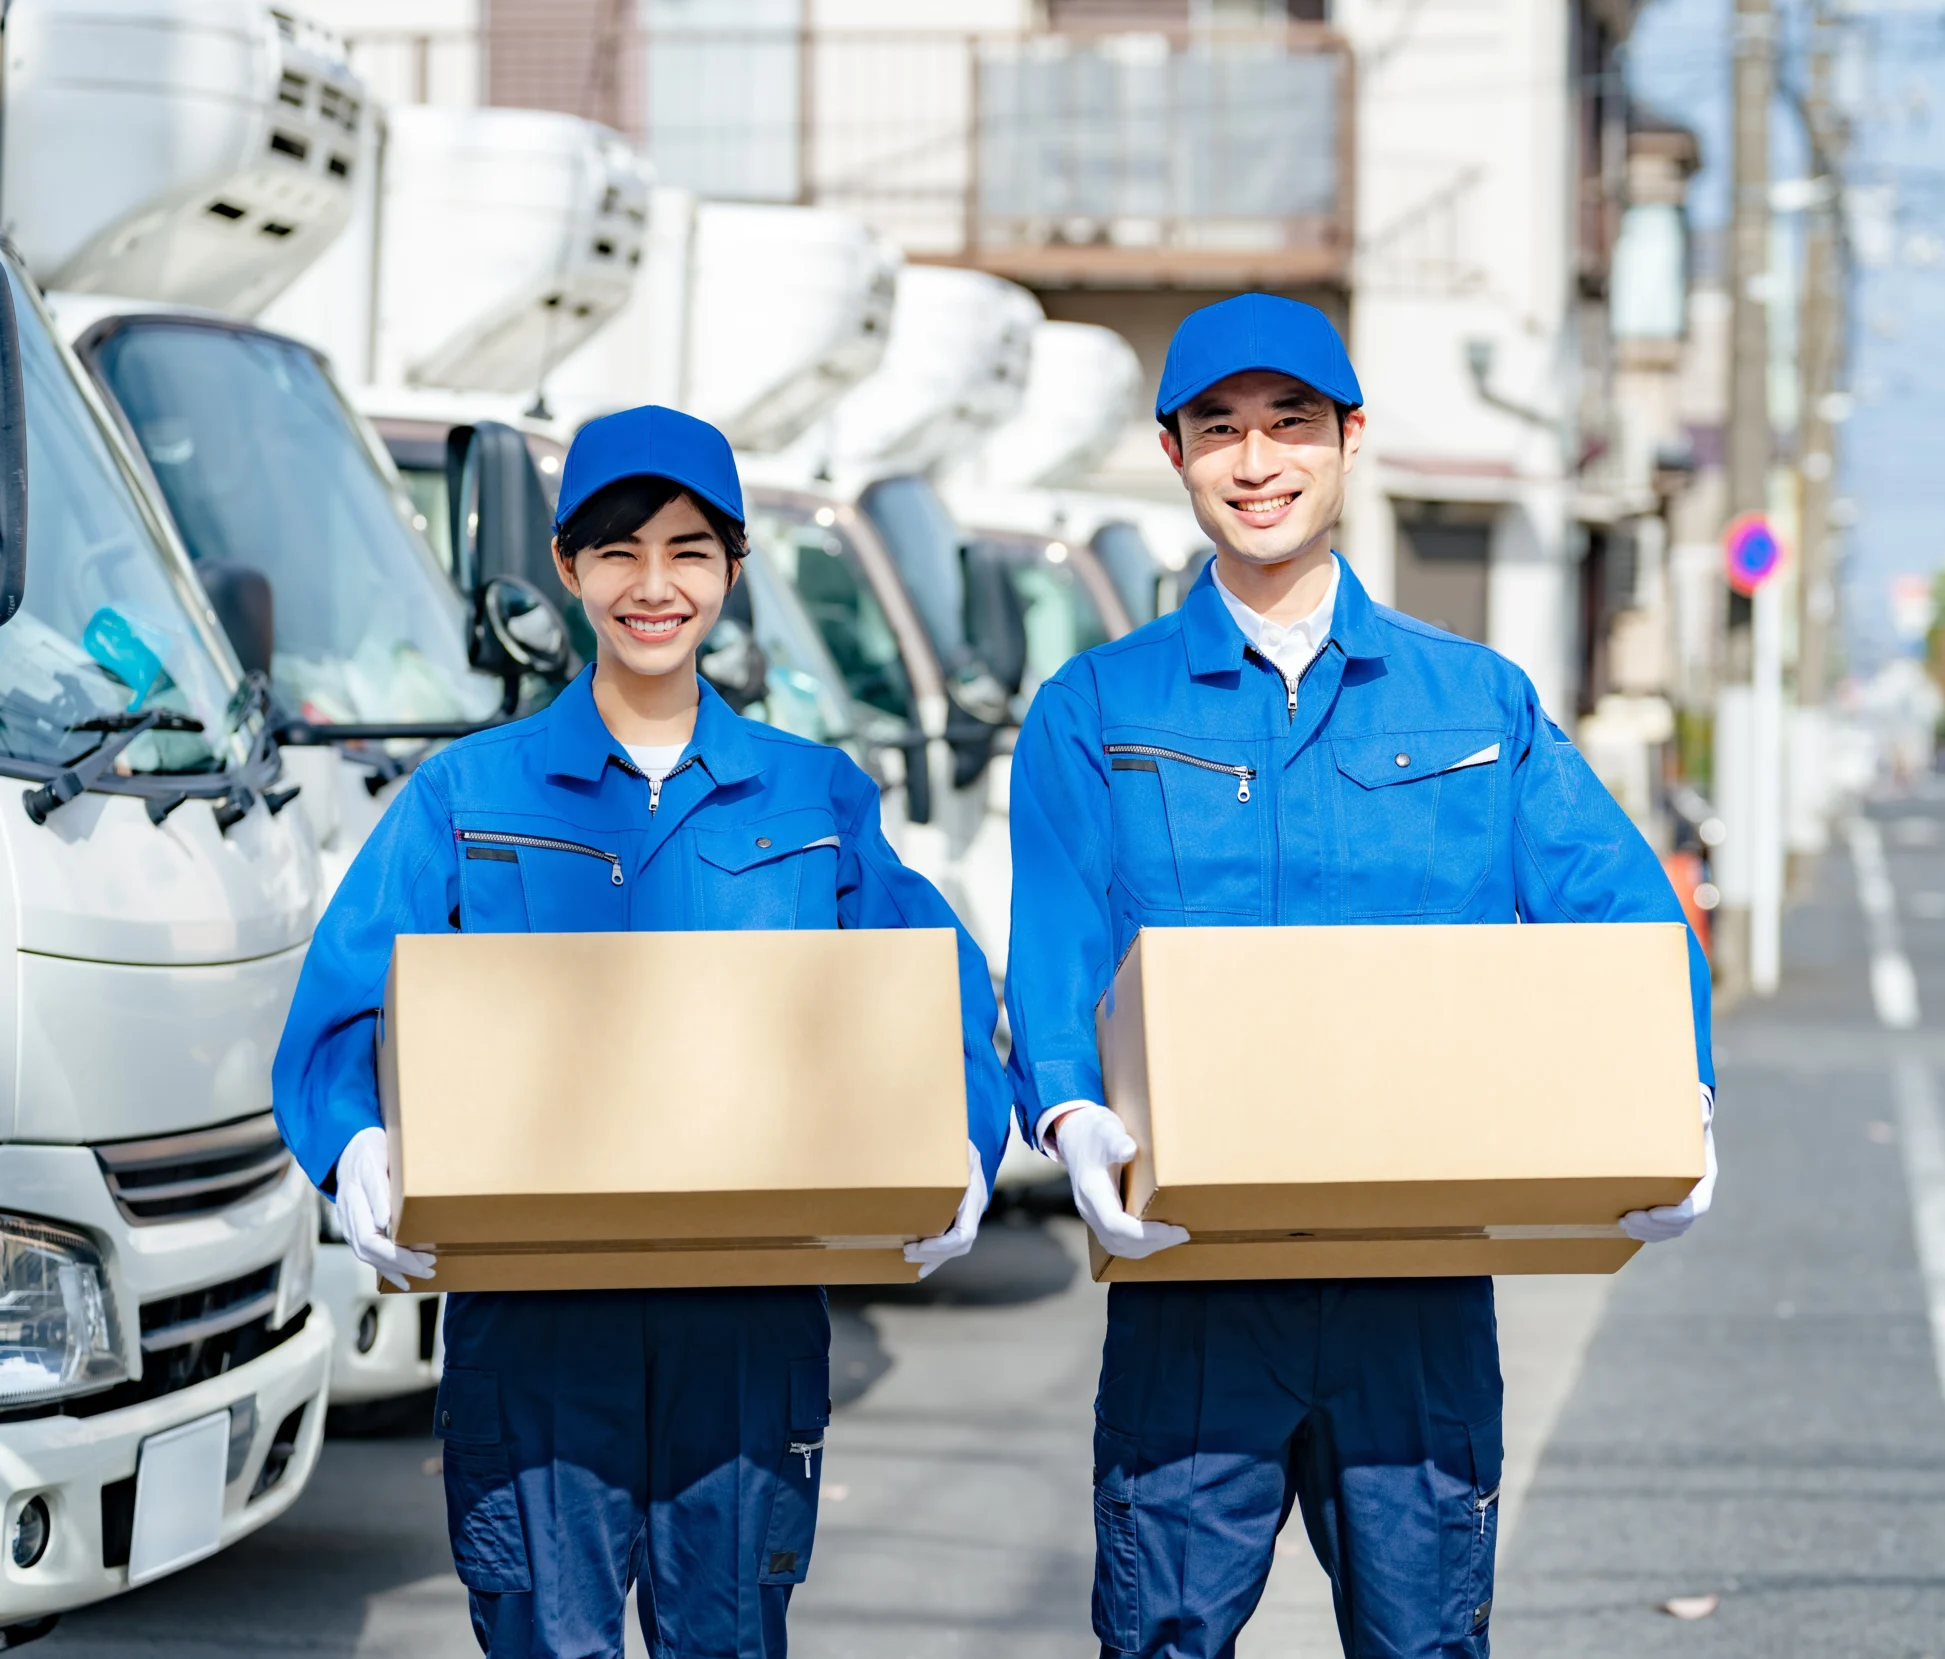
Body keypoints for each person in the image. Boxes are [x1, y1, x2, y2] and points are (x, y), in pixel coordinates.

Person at [1003, 294, 1718, 1659]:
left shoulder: (1475, 701)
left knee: (1425, 1640)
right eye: (1220, 429)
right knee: (1160, 1639)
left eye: (1290, 425)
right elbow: (1059, 941)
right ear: (1173, 452)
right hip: (1191, 1285)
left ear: (1349, 441)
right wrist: (1067, 1108)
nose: (1256, 461)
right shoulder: (1098, 709)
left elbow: (1620, 913)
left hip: (1420, 1281)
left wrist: (1677, 1097)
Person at [271, 405, 1006, 1659]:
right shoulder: (470, 793)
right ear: (567, 569)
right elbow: (341, 1000)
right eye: (616, 551)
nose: (651, 586)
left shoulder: (813, 795)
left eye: (686, 550)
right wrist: (356, 1146)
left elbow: (937, 990)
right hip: (535, 1315)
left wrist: (966, 1145)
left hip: (749, 1316)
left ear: (731, 568)